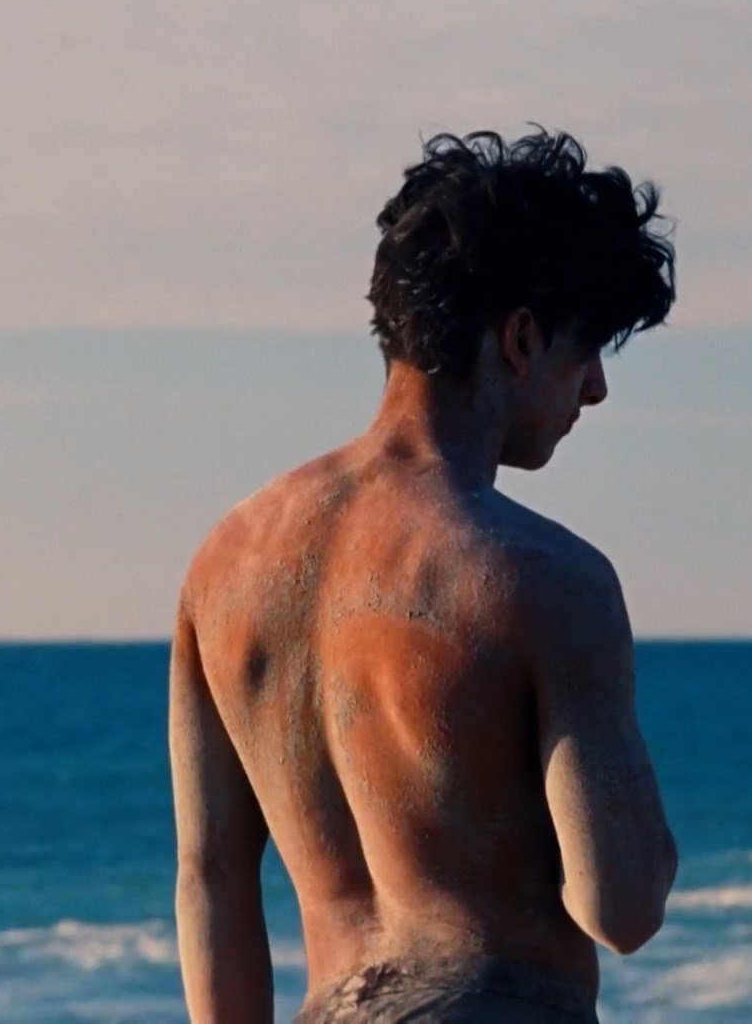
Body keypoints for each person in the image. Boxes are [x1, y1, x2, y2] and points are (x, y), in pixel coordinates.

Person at [167, 129, 679, 1023]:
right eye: (586, 349)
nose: (595, 389)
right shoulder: (544, 577)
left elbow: (210, 878)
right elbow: (621, 908)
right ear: (521, 337)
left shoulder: (227, 562)